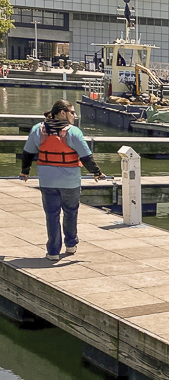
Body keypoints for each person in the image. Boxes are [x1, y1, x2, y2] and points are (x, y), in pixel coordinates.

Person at [19, 100, 106, 261]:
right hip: (70, 181)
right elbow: (86, 157)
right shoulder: (74, 132)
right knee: (70, 212)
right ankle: (71, 244)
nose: (75, 115)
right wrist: (97, 172)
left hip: (47, 181)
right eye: (72, 112)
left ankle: (53, 251)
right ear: (63, 113)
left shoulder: (37, 130)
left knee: (51, 215)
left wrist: (25, 172)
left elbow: (27, 153)